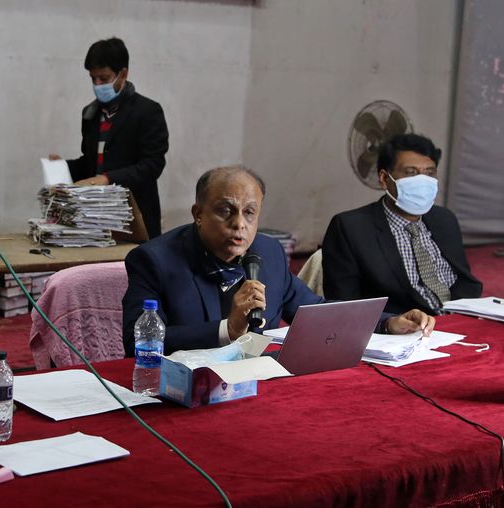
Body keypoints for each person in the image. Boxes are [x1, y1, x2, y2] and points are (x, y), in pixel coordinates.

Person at [122, 166, 435, 355]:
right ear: (198, 214)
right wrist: (228, 329)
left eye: (249, 213)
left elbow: (314, 311)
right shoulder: (154, 260)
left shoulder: (268, 252)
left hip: (259, 385)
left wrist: (387, 323)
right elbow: (137, 341)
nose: (239, 224)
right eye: (225, 211)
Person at [322, 134, 482, 315]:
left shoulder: (444, 219)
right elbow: (343, 305)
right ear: (384, 179)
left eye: (429, 173)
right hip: (405, 326)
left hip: (459, 318)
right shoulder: (351, 228)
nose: (422, 181)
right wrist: (390, 322)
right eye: (411, 172)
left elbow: (464, 281)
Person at [49, 37, 169, 238]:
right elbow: (91, 164)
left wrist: (108, 179)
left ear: (123, 74)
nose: (97, 85)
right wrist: (63, 168)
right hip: (96, 218)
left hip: (134, 219)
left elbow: (152, 165)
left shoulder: (148, 111)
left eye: (104, 79)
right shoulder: (90, 114)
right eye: (93, 79)